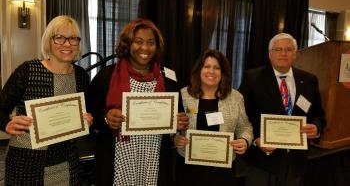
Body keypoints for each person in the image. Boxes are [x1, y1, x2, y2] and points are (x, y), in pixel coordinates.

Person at [86, 18, 189, 186]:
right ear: (128, 44)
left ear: (156, 47)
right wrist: (105, 118)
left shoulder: (168, 81)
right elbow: (88, 116)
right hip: (118, 162)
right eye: (138, 42)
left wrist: (179, 124)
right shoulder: (106, 76)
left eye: (151, 43)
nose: (145, 48)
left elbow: (177, 119)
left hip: (153, 162)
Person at [0, 15, 93, 185]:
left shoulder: (81, 76)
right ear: (49, 41)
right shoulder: (27, 71)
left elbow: (86, 111)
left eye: (73, 38)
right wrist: (6, 123)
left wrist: (87, 118)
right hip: (26, 162)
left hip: (66, 161)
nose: (67, 44)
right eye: (59, 38)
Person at [238, 33, 326, 186]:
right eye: (278, 49)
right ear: (270, 54)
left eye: (288, 49)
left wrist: (316, 128)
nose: (283, 53)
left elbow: (319, 115)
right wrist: (256, 139)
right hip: (263, 161)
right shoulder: (252, 78)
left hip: (296, 163)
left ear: (295, 54)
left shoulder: (310, 80)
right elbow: (241, 116)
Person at [174, 49, 253, 185]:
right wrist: (175, 138)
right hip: (189, 169)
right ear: (199, 69)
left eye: (217, 67)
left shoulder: (235, 97)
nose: (211, 71)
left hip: (223, 171)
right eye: (207, 66)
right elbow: (173, 125)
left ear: (223, 72)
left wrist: (245, 140)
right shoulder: (184, 95)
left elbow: (245, 127)